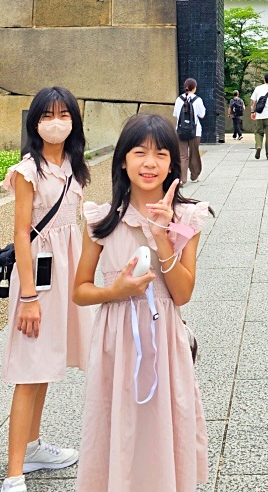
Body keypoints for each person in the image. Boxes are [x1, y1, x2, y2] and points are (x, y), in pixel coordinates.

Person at [73, 114, 210, 492]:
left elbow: (182, 294)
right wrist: (115, 292)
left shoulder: (186, 218)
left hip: (164, 339)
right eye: (139, 152)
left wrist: (163, 234)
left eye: (161, 154)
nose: (150, 163)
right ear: (122, 160)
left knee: (164, 424)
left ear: (172, 164)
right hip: (115, 341)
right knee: (117, 426)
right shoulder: (102, 219)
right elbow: (80, 290)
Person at [1, 87, 94, 492]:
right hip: (38, 276)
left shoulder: (75, 164)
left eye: (63, 114)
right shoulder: (28, 171)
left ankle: (34, 447)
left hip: (67, 270)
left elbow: (78, 222)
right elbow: (22, 234)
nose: (55, 122)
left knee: (46, 365)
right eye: (46, 115)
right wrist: (27, 298)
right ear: (34, 122)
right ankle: (13, 473)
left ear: (74, 120)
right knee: (29, 367)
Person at [173, 78, 206, 184]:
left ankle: (182, 179)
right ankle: (194, 176)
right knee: (194, 153)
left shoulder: (179, 99)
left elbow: (176, 115)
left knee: (183, 155)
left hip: (180, 131)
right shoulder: (198, 100)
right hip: (194, 131)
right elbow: (202, 115)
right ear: (194, 88)